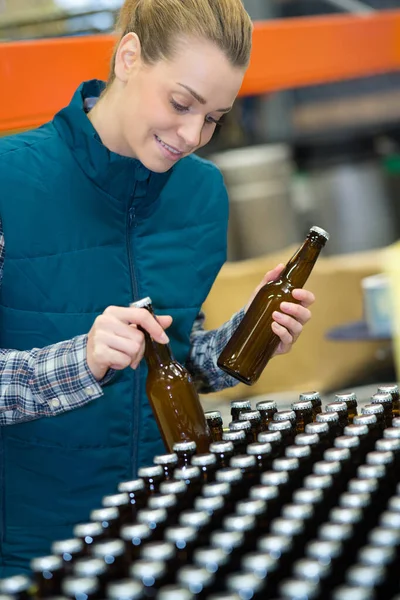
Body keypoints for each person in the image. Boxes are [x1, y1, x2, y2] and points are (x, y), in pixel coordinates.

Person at [0, 0, 315, 576]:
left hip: (165, 542)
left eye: (215, 117)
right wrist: (82, 361)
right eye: (180, 103)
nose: (193, 134)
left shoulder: (201, 196)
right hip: (31, 554)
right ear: (128, 58)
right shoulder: (8, 181)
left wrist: (243, 337)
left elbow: (176, 365)